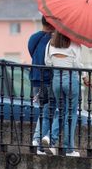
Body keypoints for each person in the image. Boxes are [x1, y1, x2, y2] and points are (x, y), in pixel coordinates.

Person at [42, 30, 83, 157]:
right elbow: (76, 64)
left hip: (56, 80)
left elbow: (47, 62)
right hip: (70, 79)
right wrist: (85, 76)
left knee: (61, 111)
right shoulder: (75, 44)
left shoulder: (51, 43)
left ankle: (50, 138)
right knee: (71, 113)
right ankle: (69, 149)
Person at [27, 16, 56, 154]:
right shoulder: (54, 40)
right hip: (48, 79)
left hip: (35, 77)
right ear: (52, 25)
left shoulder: (33, 38)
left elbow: (32, 53)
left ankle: (37, 139)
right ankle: (38, 140)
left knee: (43, 108)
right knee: (49, 110)